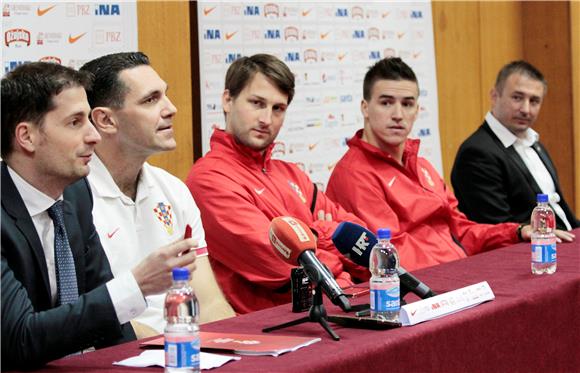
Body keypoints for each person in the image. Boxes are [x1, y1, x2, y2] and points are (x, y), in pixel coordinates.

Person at [1, 62, 196, 370]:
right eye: (75, 122)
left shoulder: (77, 195)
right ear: (26, 136)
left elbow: (106, 317)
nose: (93, 136)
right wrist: (137, 284)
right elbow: (18, 339)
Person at [326, 57, 573, 273]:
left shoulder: (422, 166)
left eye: (407, 104)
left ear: (416, 110)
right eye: (386, 102)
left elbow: (462, 232)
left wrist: (516, 232)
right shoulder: (355, 174)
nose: (398, 114)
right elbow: (391, 254)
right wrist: (463, 274)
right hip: (420, 291)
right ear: (365, 108)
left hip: (455, 275)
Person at [186, 54, 368, 314]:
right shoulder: (208, 180)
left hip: (339, 302)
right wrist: (329, 233)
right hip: (275, 327)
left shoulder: (291, 174)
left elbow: (362, 243)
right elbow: (284, 265)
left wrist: (313, 235)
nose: (266, 119)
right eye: (257, 103)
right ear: (227, 100)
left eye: (277, 108)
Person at [80, 52, 235, 336]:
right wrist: (177, 349)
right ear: (105, 120)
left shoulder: (174, 190)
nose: (171, 108)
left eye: (165, 95)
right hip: (126, 353)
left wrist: (238, 352)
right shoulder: (72, 200)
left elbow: (210, 303)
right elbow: (93, 318)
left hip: (182, 349)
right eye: (151, 100)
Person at [451, 60, 579, 231]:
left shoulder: (534, 143)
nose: (526, 109)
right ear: (495, 96)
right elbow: (499, 229)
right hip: (529, 252)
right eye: (517, 98)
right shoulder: (477, 153)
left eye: (534, 101)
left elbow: (562, 212)